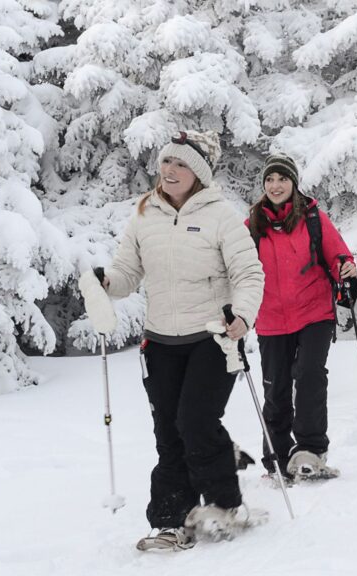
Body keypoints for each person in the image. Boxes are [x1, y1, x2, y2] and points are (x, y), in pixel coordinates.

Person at [96, 130, 265, 550]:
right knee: (169, 432)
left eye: (181, 164)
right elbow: (127, 274)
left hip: (214, 336)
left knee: (196, 421)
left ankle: (226, 505)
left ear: (199, 174)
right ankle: (171, 520)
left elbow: (248, 273)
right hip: (161, 341)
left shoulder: (221, 215)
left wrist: (242, 314)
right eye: (167, 162)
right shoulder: (145, 215)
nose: (169, 171)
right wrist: (106, 282)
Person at [246, 153, 356, 481]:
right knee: (275, 388)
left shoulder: (312, 218)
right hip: (271, 318)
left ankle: (310, 450)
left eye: (282, 179)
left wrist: (346, 271)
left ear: (293, 183)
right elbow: (237, 268)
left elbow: (337, 254)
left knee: (309, 376)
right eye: (270, 180)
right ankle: (278, 456)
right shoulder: (252, 224)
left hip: (313, 312)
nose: (275, 185)